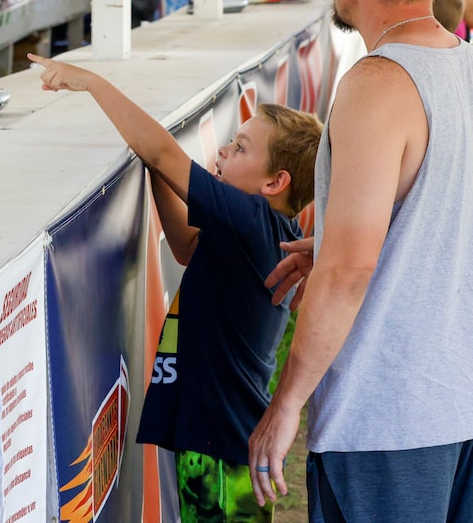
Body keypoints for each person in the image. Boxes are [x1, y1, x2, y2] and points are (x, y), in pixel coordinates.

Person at [249, 0, 473, 521]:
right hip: (454, 400)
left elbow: (350, 271)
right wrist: (348, 233)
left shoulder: (378, 81)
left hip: (391, 414)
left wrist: (287, 402)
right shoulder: (461, 65)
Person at [28, 51, 322, 522]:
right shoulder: (259, 232)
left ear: (275, 182)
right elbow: (185, 246)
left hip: (221, 449)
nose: (223, 152)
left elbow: (167, 152)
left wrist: (93, 83)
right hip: (218, 439)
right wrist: (154, 168)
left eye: (241, 148)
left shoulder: (253, 223)